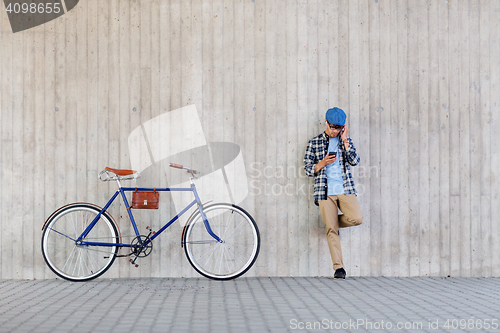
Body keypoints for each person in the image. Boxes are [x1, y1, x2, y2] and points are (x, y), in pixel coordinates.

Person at [303, 107, 363, 279]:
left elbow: (355, 161)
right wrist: (322, 163)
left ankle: (331, 222)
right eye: (333, 127)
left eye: (339, 128)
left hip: (345, 189)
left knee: (356, 218)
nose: (335, 131)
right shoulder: (314, 143)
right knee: (332, 231)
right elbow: (307, 169)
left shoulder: (345, 140)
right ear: (326, 122)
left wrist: (345, 141)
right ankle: (339, 268)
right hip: (325, 192)